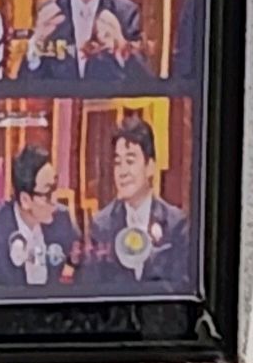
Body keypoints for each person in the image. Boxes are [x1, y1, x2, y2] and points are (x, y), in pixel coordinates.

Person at [79, 117, 186, 289]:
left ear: (150, 167)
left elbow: (181, 286)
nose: (122, 172)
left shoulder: (176, 224)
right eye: (117, 163)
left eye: (130, 161)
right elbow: (92, 288)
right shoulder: (101, 225)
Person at [0, 146, 80, 288]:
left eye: (55, 188)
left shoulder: (62, 219)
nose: (55, 200)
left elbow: (79, 270)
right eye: (47, 193)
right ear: (25, 200)